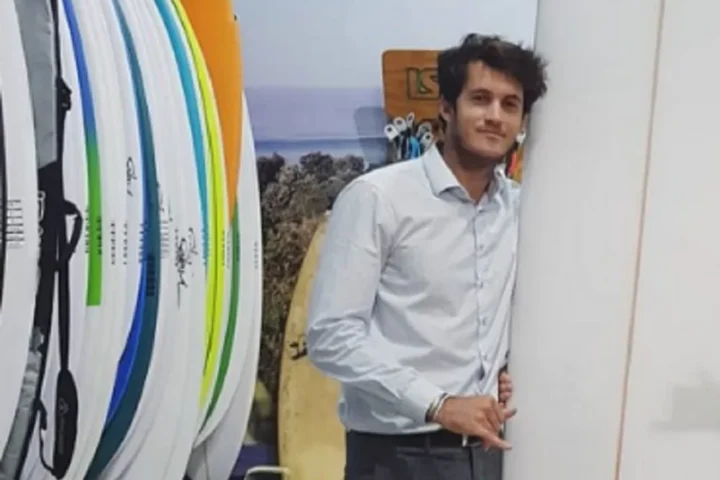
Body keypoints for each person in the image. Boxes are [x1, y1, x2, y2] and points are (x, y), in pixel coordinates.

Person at [305, 33, 548, 480]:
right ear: (447, 107)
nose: (495, 116)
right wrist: (438, 404)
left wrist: (510, 368)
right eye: (480, 99)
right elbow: (331, 336)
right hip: (397, 457)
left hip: (493, 456)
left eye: (510, 104)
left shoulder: (521, 210)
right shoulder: (379, 198)